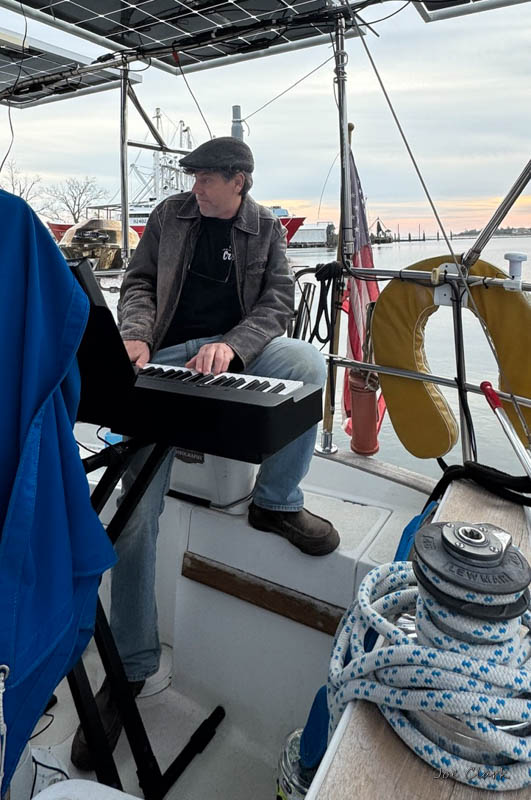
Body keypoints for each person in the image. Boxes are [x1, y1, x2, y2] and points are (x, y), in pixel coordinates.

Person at [70, 137, 339, 769]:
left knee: (306, 360)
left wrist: (234, 347)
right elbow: (137, 282)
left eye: (207, 180)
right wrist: (133, 338)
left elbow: (277, 304)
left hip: (233, 350)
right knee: (133, 519)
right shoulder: (169, 216)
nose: (195, 188)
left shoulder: (266, 228)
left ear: (239, 181)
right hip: (163, 353)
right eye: (192, 178)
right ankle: (130, 668)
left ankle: (275, 503)